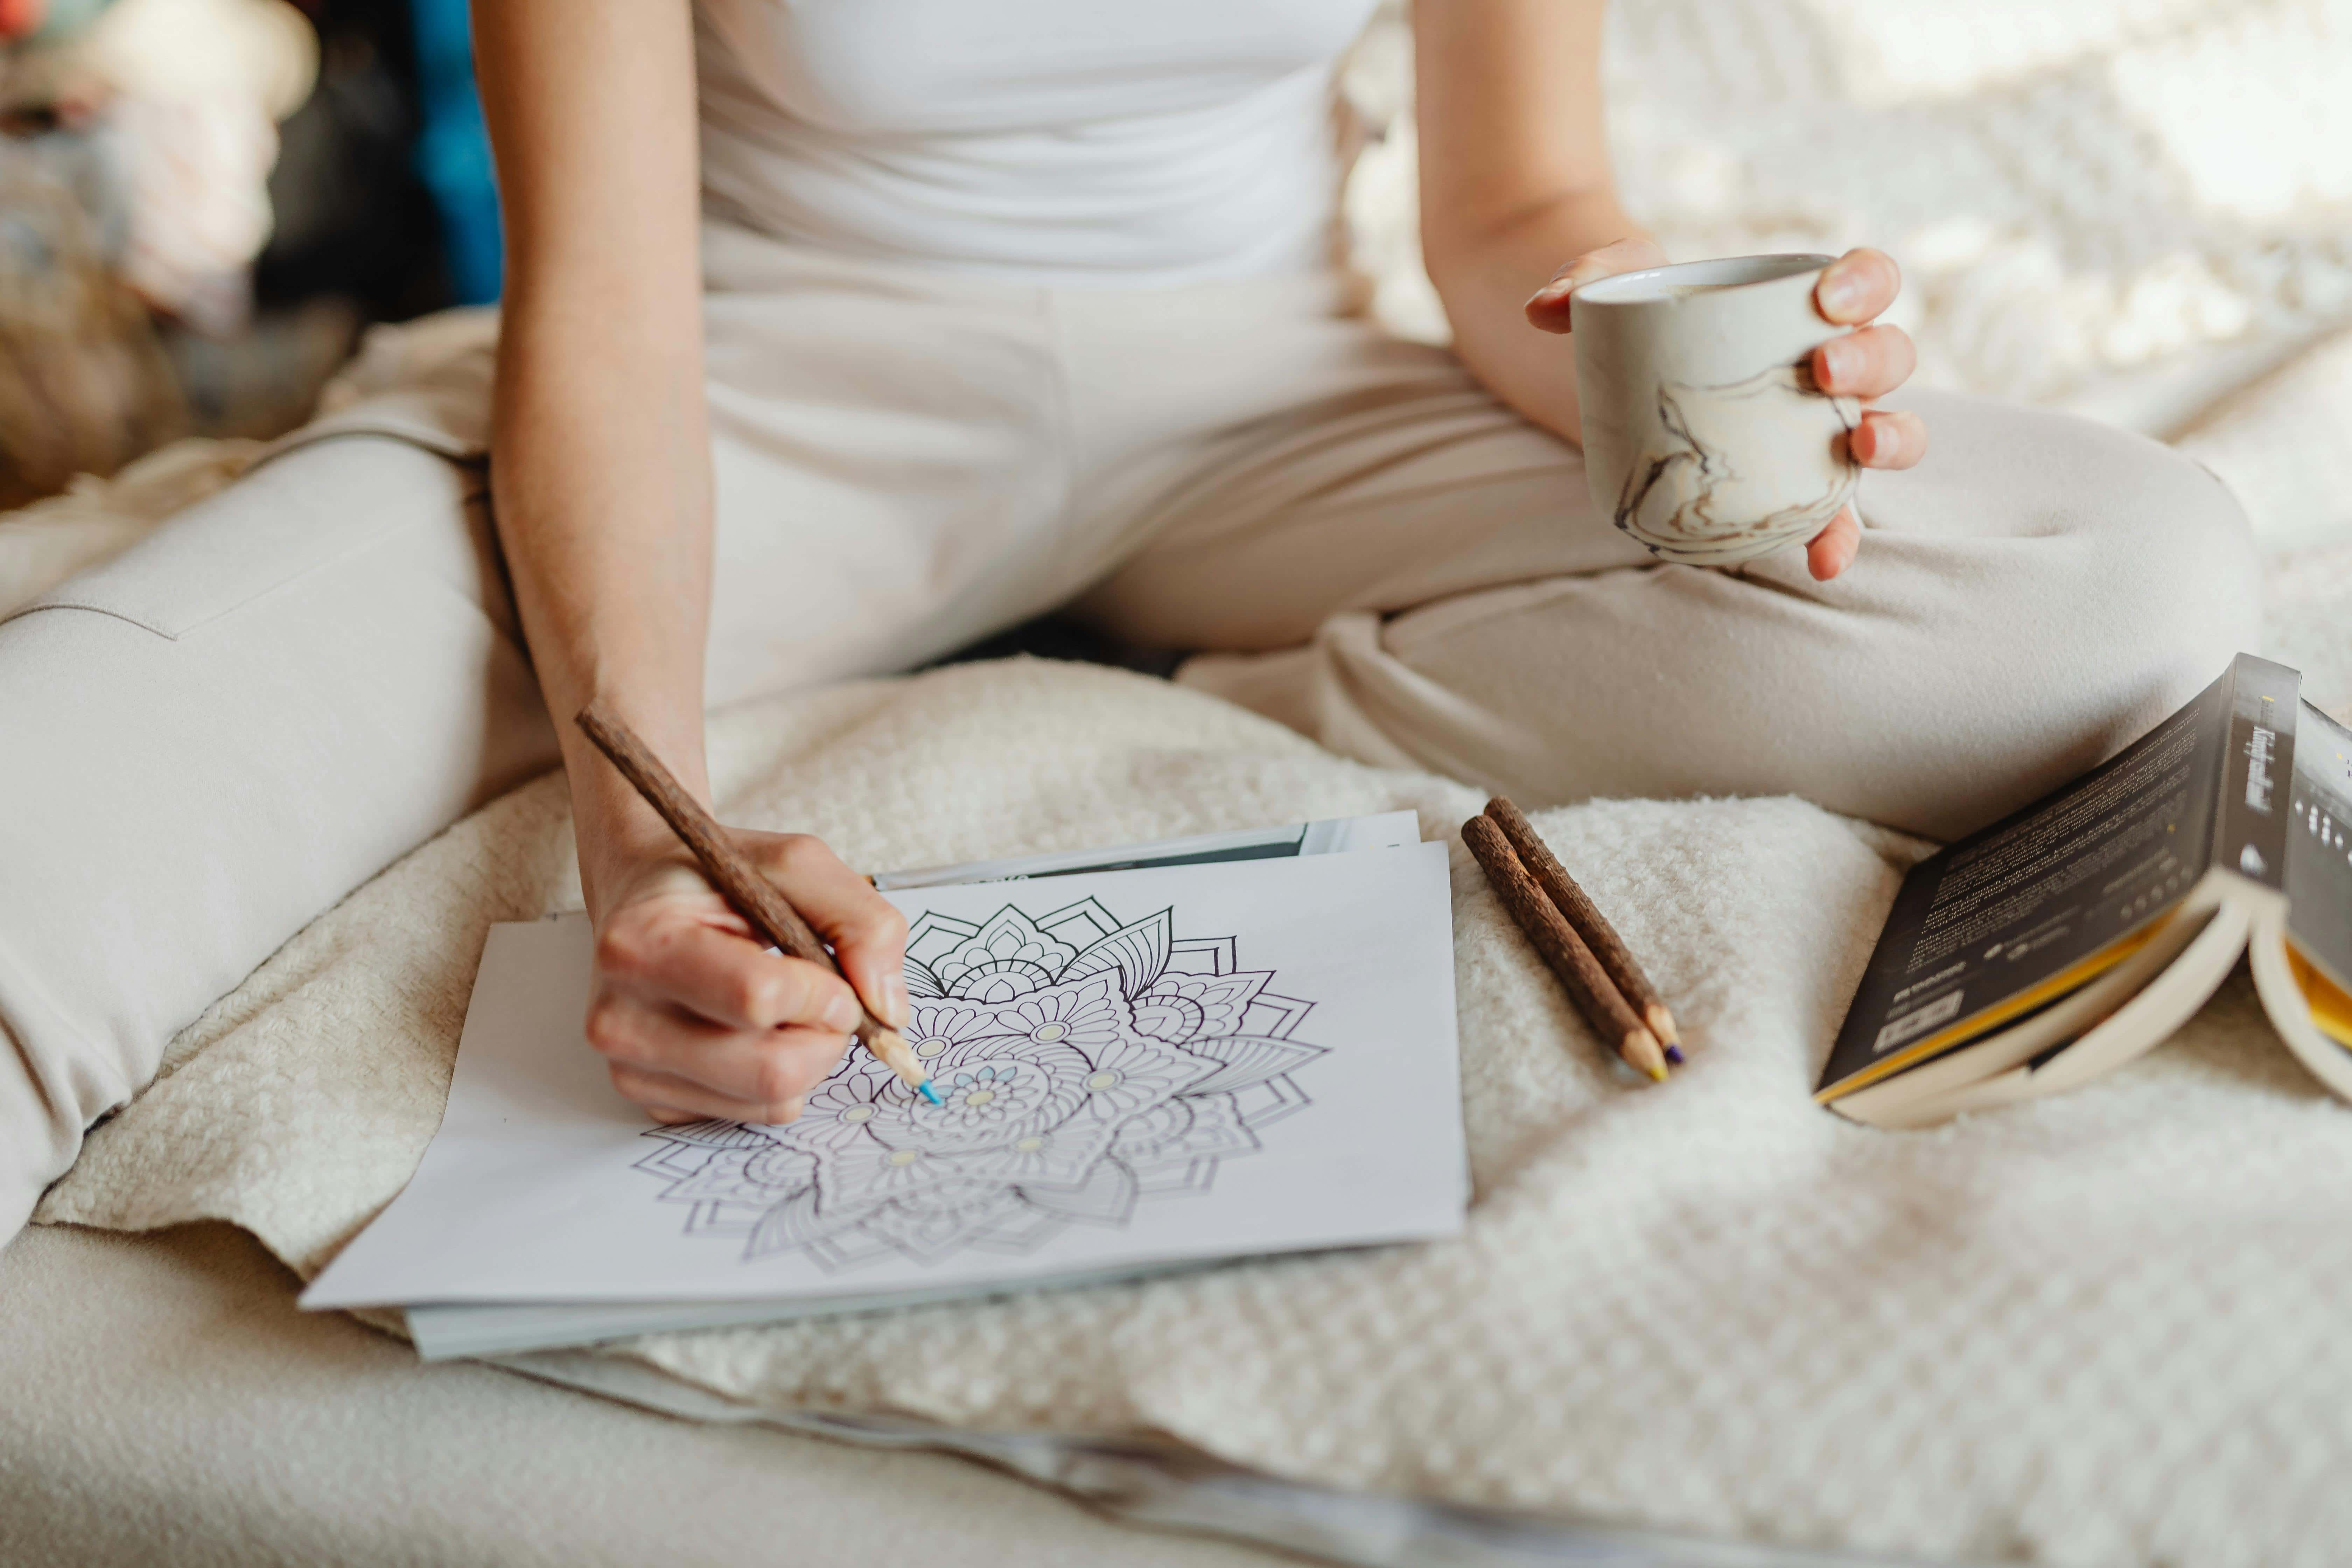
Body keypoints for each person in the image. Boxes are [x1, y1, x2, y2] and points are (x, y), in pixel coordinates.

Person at [0, 1, 2257, 1244]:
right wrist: (640, 822)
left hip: (1268, 398)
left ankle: (1246, 686)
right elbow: (599, 309)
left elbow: (1512, 207)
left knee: (2111, 573)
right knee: (62, 786)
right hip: (754, 404)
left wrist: (1696, 373)